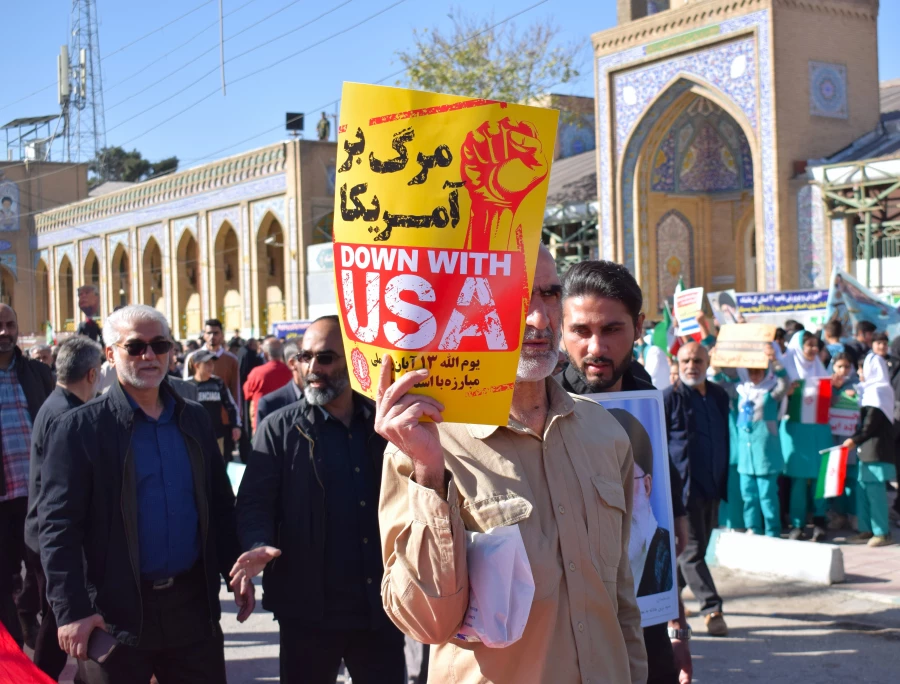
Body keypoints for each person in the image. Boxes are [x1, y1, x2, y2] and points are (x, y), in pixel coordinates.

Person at [374, 247, 647, 683]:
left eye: (550, 294)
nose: (539, 318)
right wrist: (429, 474)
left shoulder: (604, 433)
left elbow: (620, 598)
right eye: (516, 298)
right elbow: (426, 623)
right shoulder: (428, 444)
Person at [37, 305, 253, 683]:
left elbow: (219, 505)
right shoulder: (79, 429)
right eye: (136, 347)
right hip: (114, 613)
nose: (149, 356)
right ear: (110, 354)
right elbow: (57, 527)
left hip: (191, 609)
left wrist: (237, 570)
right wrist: (71, 610)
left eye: (160, 345)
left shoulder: (194, 418)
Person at [232, 315, 406, 683]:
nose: (312, 368)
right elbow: (254, 502)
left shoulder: (384, 424)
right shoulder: (279, 428)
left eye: (325, 358)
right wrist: (258, 544)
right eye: (304, 357)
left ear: (353, 360)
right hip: (307, 612)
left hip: (380, 606)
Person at [557, 258, 691, 684]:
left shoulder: (646, 401)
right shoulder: (540, 408)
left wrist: (677, 629)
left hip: (645, 624)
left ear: (638, 327)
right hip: (569, 627)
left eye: (612, 329)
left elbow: (665, 540)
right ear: (561, 329)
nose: (596, 347)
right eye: (581, 331)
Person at [25, 336, 103, 679]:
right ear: (92, 374)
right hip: (52, 536)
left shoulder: (57, 404)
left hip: (43, 532)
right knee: (63, 617)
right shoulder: (67, 415)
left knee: (60, 617)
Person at [665, 342, 730, 637]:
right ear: (677, 364)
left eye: (697, 361)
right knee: (691, 551)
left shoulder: (718, 395)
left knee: (697, 549)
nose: (692, 366)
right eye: (686, 361)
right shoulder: (668, 398)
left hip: (712, 486)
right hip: (683, 490)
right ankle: (712, 609)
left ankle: (669, 598)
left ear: (707, 363)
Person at [0, 304, 54, 648]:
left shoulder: (37, 373)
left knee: (44, 573)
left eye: (9, 324)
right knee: (3, 579)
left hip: (39, 495)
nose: (4, 332)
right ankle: (14, 655)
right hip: (2, 499)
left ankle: (29, 620)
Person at [777, 330, 832, 541]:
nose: (814, 349)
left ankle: (819, 520)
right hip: (796, 431)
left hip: (819, 431)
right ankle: (798, 524)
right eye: (809, 345)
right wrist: (788, 393)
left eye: (816, 345)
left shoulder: (820, 369)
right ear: (799, 346)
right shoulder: (786, 368)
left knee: (819, 477)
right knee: (798, 480)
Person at [731, 349, 790, 537]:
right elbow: (721, 380)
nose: (755, 375)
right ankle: (753, 528)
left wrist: (776, 362)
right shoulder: (741, 391)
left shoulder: (771, 392)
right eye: (751, 371)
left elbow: (785, 383)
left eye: (759, 371)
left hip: (766, 453)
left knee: (767, 496)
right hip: (746, 455)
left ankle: (772, 530)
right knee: (748, 495)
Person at [845, 353, 896, 547]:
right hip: (865, 450)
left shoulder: (879, 392)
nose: (859, 372)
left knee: (875, 493)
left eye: (861, 368)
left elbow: (869, 426)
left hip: (876, 450)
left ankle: (882, 532)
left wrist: (853, 440)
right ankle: (866, 529)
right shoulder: (868, 391)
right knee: (863, 490)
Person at [184, 319, 242, 457]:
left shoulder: (231, 359)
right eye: (209, 333)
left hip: (222, 422)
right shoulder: (193, 357)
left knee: (221, 460)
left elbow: (235, 391)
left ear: (222, 335)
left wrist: (236, 423)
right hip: (197, 424)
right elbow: (186, 389)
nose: (212, 337)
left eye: (216, 333)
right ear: (204, 335)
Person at [827, 353, 859, 531]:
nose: (843, 370)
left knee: (852, 480)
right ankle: (838, 515)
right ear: (833, 367)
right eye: (839, 366)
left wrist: (855, 397)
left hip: (850, 440)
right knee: (836, 478)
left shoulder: (857, 385)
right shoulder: (827, 385)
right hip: (833, 439)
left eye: (847, 367)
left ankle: (854, 515)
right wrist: (833, 391)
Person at [188, 349, 241, 458]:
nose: (211, 367)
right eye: (207, 363)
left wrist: (236, 426)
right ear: (196, 365)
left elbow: (231, 406)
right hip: (195, 437)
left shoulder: (218, 383)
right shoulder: (187, 385)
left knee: (217, 464)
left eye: (212, 363)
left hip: (217, 435)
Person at [243, 336, 292, 433]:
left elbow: (247, 394)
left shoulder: (256, 373)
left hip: (261, 423)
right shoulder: (291, 371)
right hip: (287, 422)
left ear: (265, 355)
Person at [255, 340, 303, 426]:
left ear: (265, 354)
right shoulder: (269, 403)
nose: (314, 364)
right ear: (292, 364)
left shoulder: (257, 373)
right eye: (307, 357)